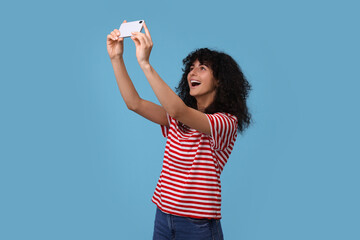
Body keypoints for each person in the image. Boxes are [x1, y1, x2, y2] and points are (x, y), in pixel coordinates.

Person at [106, 20, 252, 240]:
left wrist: (145, 64)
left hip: (198, 225)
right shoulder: (177, 120)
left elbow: (177, 110)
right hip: (163, 216)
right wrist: (116, 58)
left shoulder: (224, 122)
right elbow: (134, 103)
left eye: (202, 68)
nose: (193, 73)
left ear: (220, 81)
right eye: (191, 68)